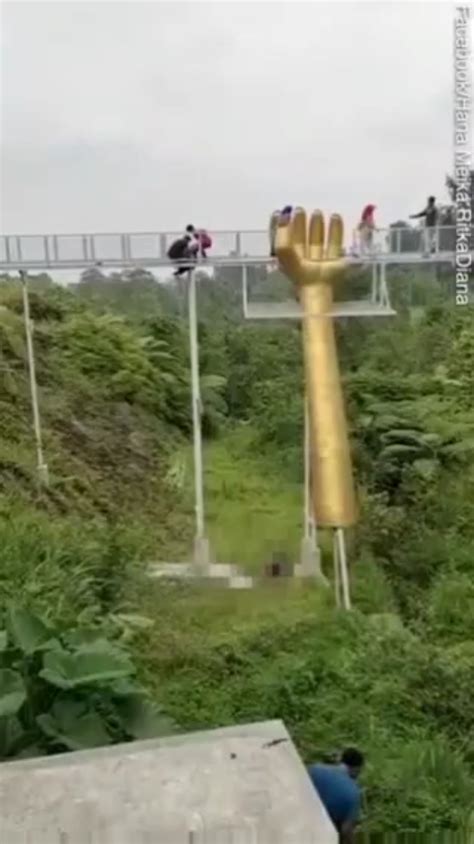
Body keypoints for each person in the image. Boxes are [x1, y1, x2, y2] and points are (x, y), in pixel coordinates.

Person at [308, 748, 364, 843]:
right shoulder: (354, 793)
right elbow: (346, 830)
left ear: (340, 760)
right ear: (356, 769)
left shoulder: (314, 769)